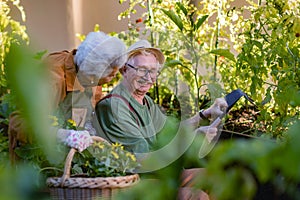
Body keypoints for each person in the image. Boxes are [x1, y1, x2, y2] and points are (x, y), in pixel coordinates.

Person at [8, 31, 127, 161]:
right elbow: (19, 122)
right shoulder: (53, 80)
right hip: (38, 161)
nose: (114, 77)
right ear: (91, 74)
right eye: (110, 75)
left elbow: (92, 109)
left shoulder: (91, 71)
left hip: (69, 159)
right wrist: (62, 135)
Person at [94, 40, 228, 154]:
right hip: (137, 181)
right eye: (141, 69)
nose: (148, 77)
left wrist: (205, 114)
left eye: (153, 71)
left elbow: (170, 132)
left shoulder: (145, 101)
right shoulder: (114, 106)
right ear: (124, 70)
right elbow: (145, 159)